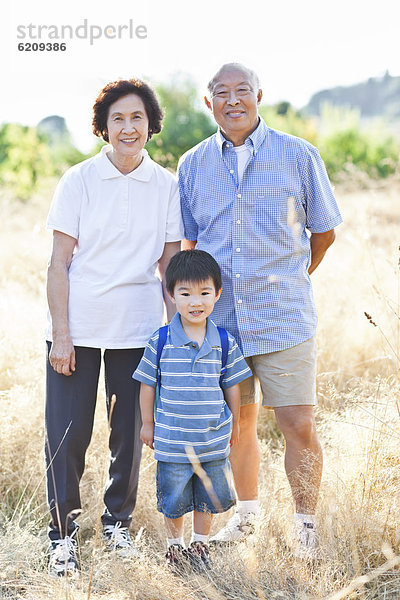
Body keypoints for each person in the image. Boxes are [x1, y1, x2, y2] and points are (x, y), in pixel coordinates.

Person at [178, 63, 342, 556]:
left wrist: (291, 279)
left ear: (259, 96)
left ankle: (306, 531)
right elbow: (190, 243)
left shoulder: (298, 154)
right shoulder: (192, 165)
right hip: (222, 326)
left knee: (298, 424)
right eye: (221, 93)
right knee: (236, 426)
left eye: (242, 91)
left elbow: (325, 232)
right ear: (209, 103)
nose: (233, 100)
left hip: (284, 320)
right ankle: (247, 519)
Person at [45, 78, 183, 577]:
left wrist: (175, 338)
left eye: (137, 118)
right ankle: (62, 537)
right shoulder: (78, 180)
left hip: (138, 328)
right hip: (78, 328)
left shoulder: (167, 185)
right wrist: (61, 334)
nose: (129, 127)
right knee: (68, 433)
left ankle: (117, 525)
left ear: (151, 126)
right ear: (104, 127)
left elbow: (170, 267)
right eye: (118, 118)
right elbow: (59, 262)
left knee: (128, 432)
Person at [132, 250, 252, 571]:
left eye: (204, 292)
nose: (194, 301)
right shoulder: (160, 341)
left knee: (207, 497)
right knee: (173, 499)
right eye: (185, 293)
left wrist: (235, 423)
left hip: (212, 439)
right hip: (172, 440)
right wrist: (148, 423)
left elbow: (231, 386)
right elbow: (147, 385)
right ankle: (174, 548)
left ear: (218, 294)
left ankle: (200, 545)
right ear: (171, 295)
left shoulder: (224, 342)